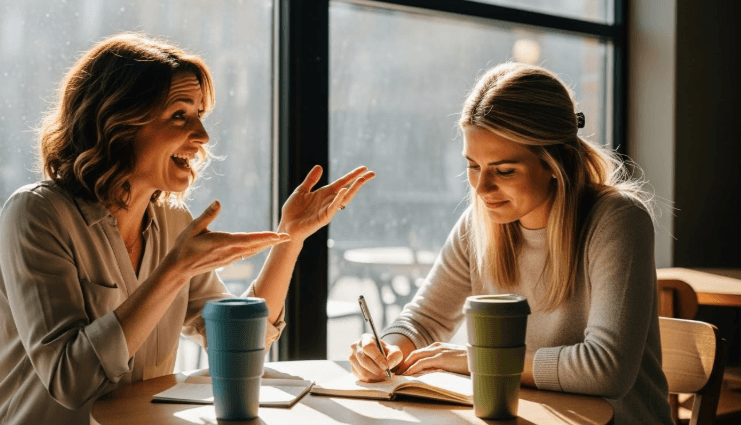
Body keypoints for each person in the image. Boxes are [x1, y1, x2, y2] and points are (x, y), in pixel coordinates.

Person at [0, 33, 374, 425]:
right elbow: (69, 381)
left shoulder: (171, 222)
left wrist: (290, 237)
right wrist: (175, 269)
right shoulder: (37, 214)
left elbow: (238, 341)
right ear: (117, 122)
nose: (203, 136)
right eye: (180, 115)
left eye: (199, 115)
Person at [349, 62, 673, 424]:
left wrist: (477, 359)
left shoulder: (617, 219)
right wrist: (386, 349)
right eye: (473, 166)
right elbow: (424, 321)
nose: (482, 188)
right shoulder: (482, 221)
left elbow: (605, 369)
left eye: (504, 171)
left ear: (556, 162)